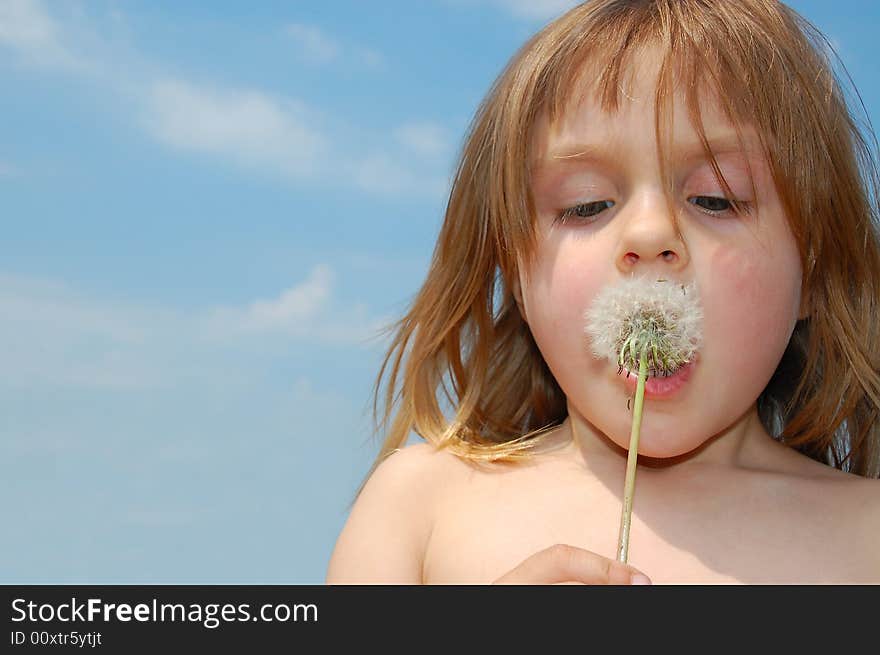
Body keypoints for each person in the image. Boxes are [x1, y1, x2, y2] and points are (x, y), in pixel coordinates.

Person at [326, 0, 880, 584]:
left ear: (814, 274)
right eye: (585, 204)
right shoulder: (420, 509)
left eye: (716, 198)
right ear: (514, 274)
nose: (648, 234)